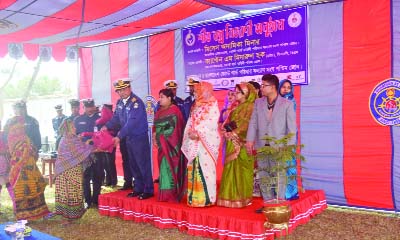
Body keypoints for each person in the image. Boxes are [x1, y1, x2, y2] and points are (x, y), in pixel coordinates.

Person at [246, 74, 296, 204]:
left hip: (279, 147)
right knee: (264, 175)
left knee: (279, 176)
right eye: (261, 85)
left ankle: (279, 203)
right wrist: (249, 141)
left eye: (264, 85)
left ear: (273, 87)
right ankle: (268, 203)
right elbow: (253, 123)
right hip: (262, 146)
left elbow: (292, 129)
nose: (261, 88)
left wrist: (287, 147)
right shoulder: (258, 102)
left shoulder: (287, 104)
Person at [103, 78, 154, 200]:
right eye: (119, 90)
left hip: (139, 138)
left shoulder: (136, 103)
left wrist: (119, 136)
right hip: (128, 138)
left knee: (142, 164)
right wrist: (106, 126)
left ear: (129, 88)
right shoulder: (120, 102)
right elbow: (116, 118)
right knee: (133, 164)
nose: (121, 92)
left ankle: (148, 190)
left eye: (124, 89)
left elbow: (131, 123)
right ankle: (138, 188)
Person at [217, 83, 257, 208]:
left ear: (246, 94)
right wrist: (225, 131)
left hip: (242, 143)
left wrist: (234, 133)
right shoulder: (236, 107)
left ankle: (242, 198)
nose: (236, 94)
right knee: (230, 169)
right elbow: (228, 122)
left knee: (242, 171)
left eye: (239, 92)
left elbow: (247, 124)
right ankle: (229, 197)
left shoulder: (250, 107)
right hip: (231, 142)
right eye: (235, 91)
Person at [181, 81, 221, 207]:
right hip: (194, 142)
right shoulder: (195, 106)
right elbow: (190, 122)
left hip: (205, 142)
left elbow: (212, 124)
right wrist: (189, 133)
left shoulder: (212, 105)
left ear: (205, 91)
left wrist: (198, 133)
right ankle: (195, 197)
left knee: (206, 170)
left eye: (198, 91)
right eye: (195, 91)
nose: (196, 93)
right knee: (195, 168)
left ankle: (207, 198)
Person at [4, 113, 49, 220]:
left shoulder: (24, 138)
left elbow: (33, 151)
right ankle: (26, 216)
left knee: (34, 190)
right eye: (16, 128)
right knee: (24, 191)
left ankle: (37, 213)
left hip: (28, 169)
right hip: (21, 170)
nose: (18, 130)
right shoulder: (14, 138)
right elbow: (16, 154)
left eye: (20, 128)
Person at [54, 118, 94, 221]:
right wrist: (91, 147)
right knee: (72, 192)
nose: (75, 128)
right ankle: (69, 217)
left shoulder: (67, 138)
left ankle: (68, 217)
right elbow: (79, 152)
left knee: (67, 193)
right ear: (67, 129)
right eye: (73, 127)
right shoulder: (69, 139)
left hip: (64, 169)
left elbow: (79, 149)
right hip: (68, 170)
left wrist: (86, 144)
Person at [153, 88, 187, 202]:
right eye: (159, 97)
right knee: (162, 168)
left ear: (169, 98)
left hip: (171, 146)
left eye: (162, 97)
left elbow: (175, 130)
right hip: (161, 146)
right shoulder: (159, 111)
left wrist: (161, 137)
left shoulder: (175, 111)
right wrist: (154, 137)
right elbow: (155, 127)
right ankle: (164, 193)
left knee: (168, 167)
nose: (160, 99)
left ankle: (170, 194)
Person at [74, 98, 102, 208]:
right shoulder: (78, 119)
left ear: (94, 107)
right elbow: (74, 135)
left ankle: (96, 199)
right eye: (87, 107)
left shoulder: (100, 119)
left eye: (91, 107)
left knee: (98, 175)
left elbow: (103, 135)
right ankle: (87, 200)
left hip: (97, 151)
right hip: (83, 152)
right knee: (85, 176)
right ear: (84, 108)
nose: (89, 109)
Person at [279, 79, 298, 200]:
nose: (286, 89)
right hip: (277, 135)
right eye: (283, 87)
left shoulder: (291, 101)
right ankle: (279, 193)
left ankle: (289, 193)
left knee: (288, 163)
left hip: (287, 135)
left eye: (288, 87)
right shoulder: (275, 101)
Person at [96, 104, 117, 187]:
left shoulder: (113, 118)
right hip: (104, 142)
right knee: (105, 162)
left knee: (110, 162)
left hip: (110, 142)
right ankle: (108, 180)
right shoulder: (104, 118)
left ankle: (113, 180)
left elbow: (116, 129)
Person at [218, 89, 237, 165]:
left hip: (235, 137)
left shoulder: (237, 109)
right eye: (229, 94)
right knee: (225, 157)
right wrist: (222, 130)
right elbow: (220, 123)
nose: (230, 96)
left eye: (232, 94)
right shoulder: (223, 110)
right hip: (225, 138)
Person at [0, 122, 13, 214]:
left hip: (5, 161)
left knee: (10, 183)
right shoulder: (4, 134)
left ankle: (18, 209)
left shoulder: (4, 134)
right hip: (3, 160)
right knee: (9, 184)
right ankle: (18, 209)